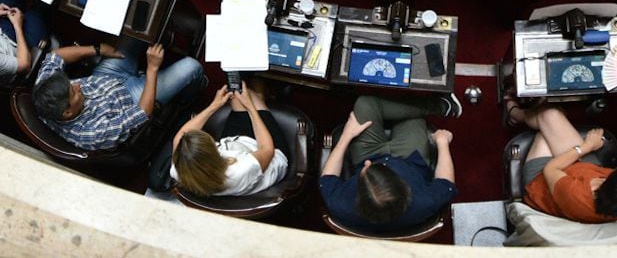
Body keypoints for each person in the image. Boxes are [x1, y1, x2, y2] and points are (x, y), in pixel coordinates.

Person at [30, 39, 206, 152]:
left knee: (139, 27)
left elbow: (54, 56)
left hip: (105, 77)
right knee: (192, 66)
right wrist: (152, 69)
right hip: (134, 99)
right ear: (67, 113)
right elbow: (143, 113)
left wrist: (96, 48)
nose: (76, 85)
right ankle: (185, 98)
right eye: (73, 92)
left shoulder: (44, 90)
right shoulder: (90, 134)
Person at [319, 97, 460, 234]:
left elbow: (328, 176)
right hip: (410, 159)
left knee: (365, 103)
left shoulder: (340, 205)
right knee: (413, 117)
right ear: (404, 187)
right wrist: (442, 142)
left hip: (368, 153)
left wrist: (346, 136)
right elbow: (446, 182)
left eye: (366, 170)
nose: (368, 165)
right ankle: (441, 107)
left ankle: (433, 107)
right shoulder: (425, 202)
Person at [507, 105, 617, 224]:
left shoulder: (575, 197)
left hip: (543, 179)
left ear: (605, 183)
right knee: (551, 118)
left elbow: (551, 168)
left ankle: (516, 114)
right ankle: (530, 115)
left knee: (548, 118)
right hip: (584, 168)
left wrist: (587, 147)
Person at [172, 83, 289, 198]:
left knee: (235, 96)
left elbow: (181, 136)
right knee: (250, 94)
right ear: (212, 154)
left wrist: (214, 105)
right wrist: (250, 107)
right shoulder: (240, 171)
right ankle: (263, 94)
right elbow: (267, 149)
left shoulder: (181, 169)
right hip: (269, 155)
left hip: (236, 145)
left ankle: (260, 95)